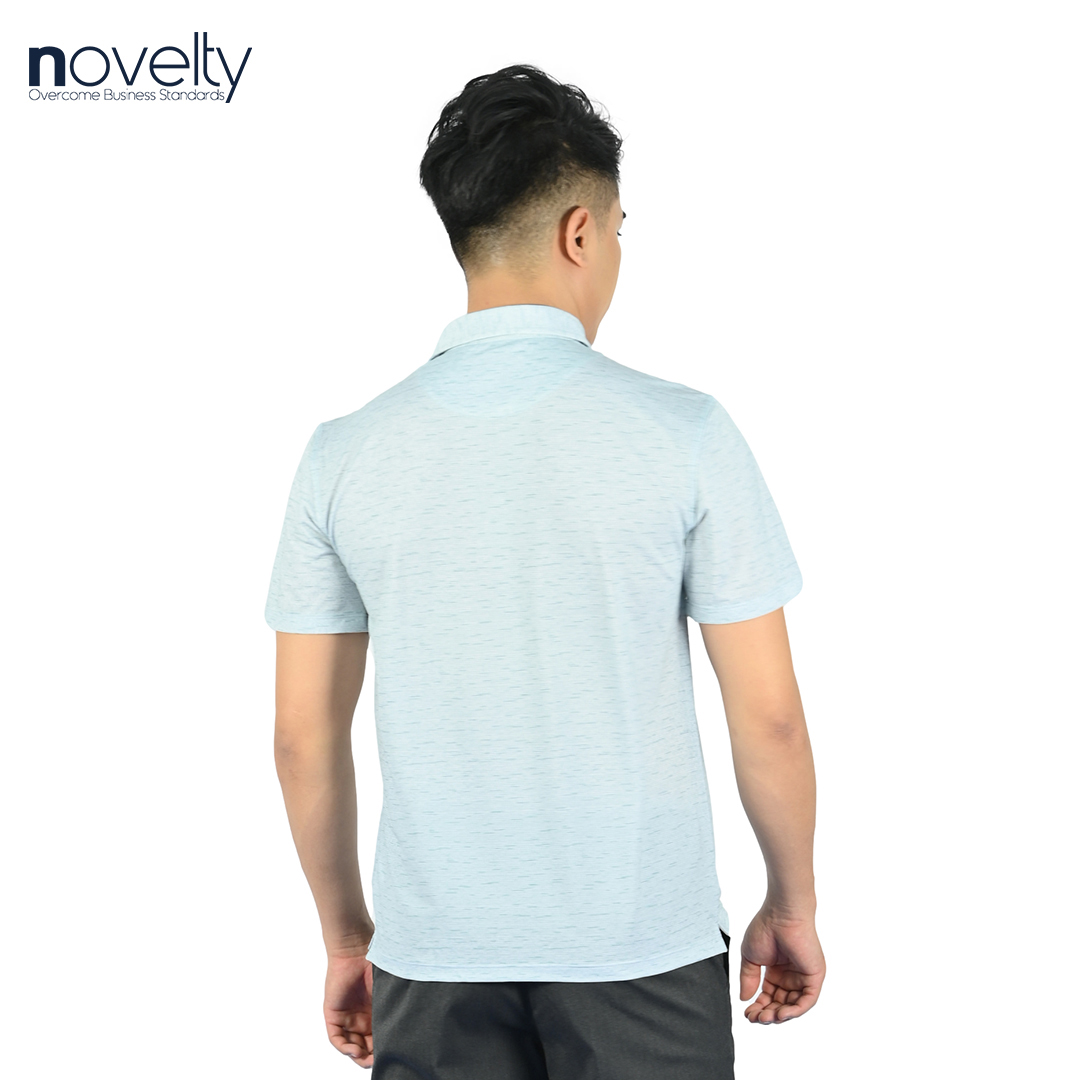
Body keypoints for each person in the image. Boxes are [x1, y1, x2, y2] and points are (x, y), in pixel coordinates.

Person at [266, 63, 824, 1078]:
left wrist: (350, 940)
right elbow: (771, 718)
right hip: (643, 953)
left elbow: (304, 737)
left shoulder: (342, 455)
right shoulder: (686, 433)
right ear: (579, 232)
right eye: (619, 231)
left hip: (432, 962)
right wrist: (792, 902)